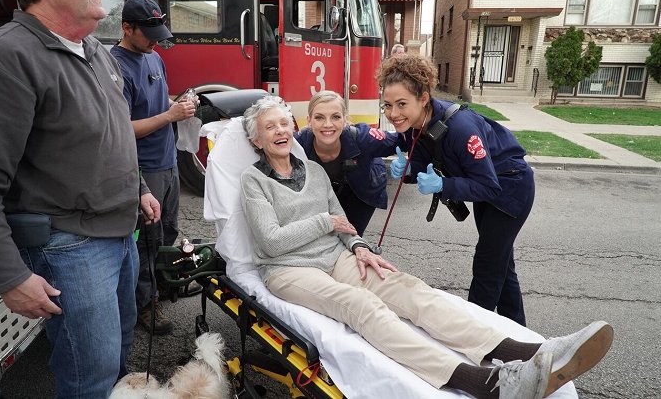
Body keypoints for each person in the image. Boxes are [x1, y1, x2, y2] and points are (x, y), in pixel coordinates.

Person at [238, 97, 613, 399]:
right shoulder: (253, 180)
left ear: (293, 128)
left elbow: (343, 222)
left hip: (336, 256)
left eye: (284, 123)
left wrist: (359, 246)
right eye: (269, 127)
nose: (279, 131)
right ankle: (482, 383)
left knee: (409, 289)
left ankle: (532, 352)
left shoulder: (315, 172)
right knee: (361, 305)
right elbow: (271, 240)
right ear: (257, 140)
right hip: (288, 269)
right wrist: (326, 224)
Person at [0, 0, 160, 398]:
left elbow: (112, 134)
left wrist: (140, 188)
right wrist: (10, 276)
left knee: (118, 353)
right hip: (70, 245)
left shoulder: (93, 50)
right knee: (90, 374)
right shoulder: (11, 55)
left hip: (118, 231)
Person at [378, 54, 535, 326]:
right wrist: (410, 169)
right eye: (388, 105)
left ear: (424, 98)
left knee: (487, 266)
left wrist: (443, 185)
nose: (393, 114)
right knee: (501, 264)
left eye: (402, 104)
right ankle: (521, 335)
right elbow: (424, 159)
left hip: (511, 188)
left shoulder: (461, 128)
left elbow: (487, 184)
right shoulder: (411, 125)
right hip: (488, 189)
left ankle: (474, 336)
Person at [111, 0, 197, 335]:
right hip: (142, 168)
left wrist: (182, 104)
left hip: (168, 161)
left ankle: (162, 287)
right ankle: (145, 305)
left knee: (169, 230)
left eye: (159, 32)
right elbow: (122, 129)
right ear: (126, 28)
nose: (156, 41)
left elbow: (159, 106)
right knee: (146, 238)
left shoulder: (155, 58)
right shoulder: (115, 66)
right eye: (148, 34)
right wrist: (170, 115)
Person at [294, 90, 398, 235]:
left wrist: (413, 164)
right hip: (324, 192)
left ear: (344, 120)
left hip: (360, 191)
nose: (328, 124)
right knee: (323, 236)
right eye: (319, 118)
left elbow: (400, 140)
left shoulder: (362, 137)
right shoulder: (297, 144)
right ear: (309, 121)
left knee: (350, 235)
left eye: (336, 117)